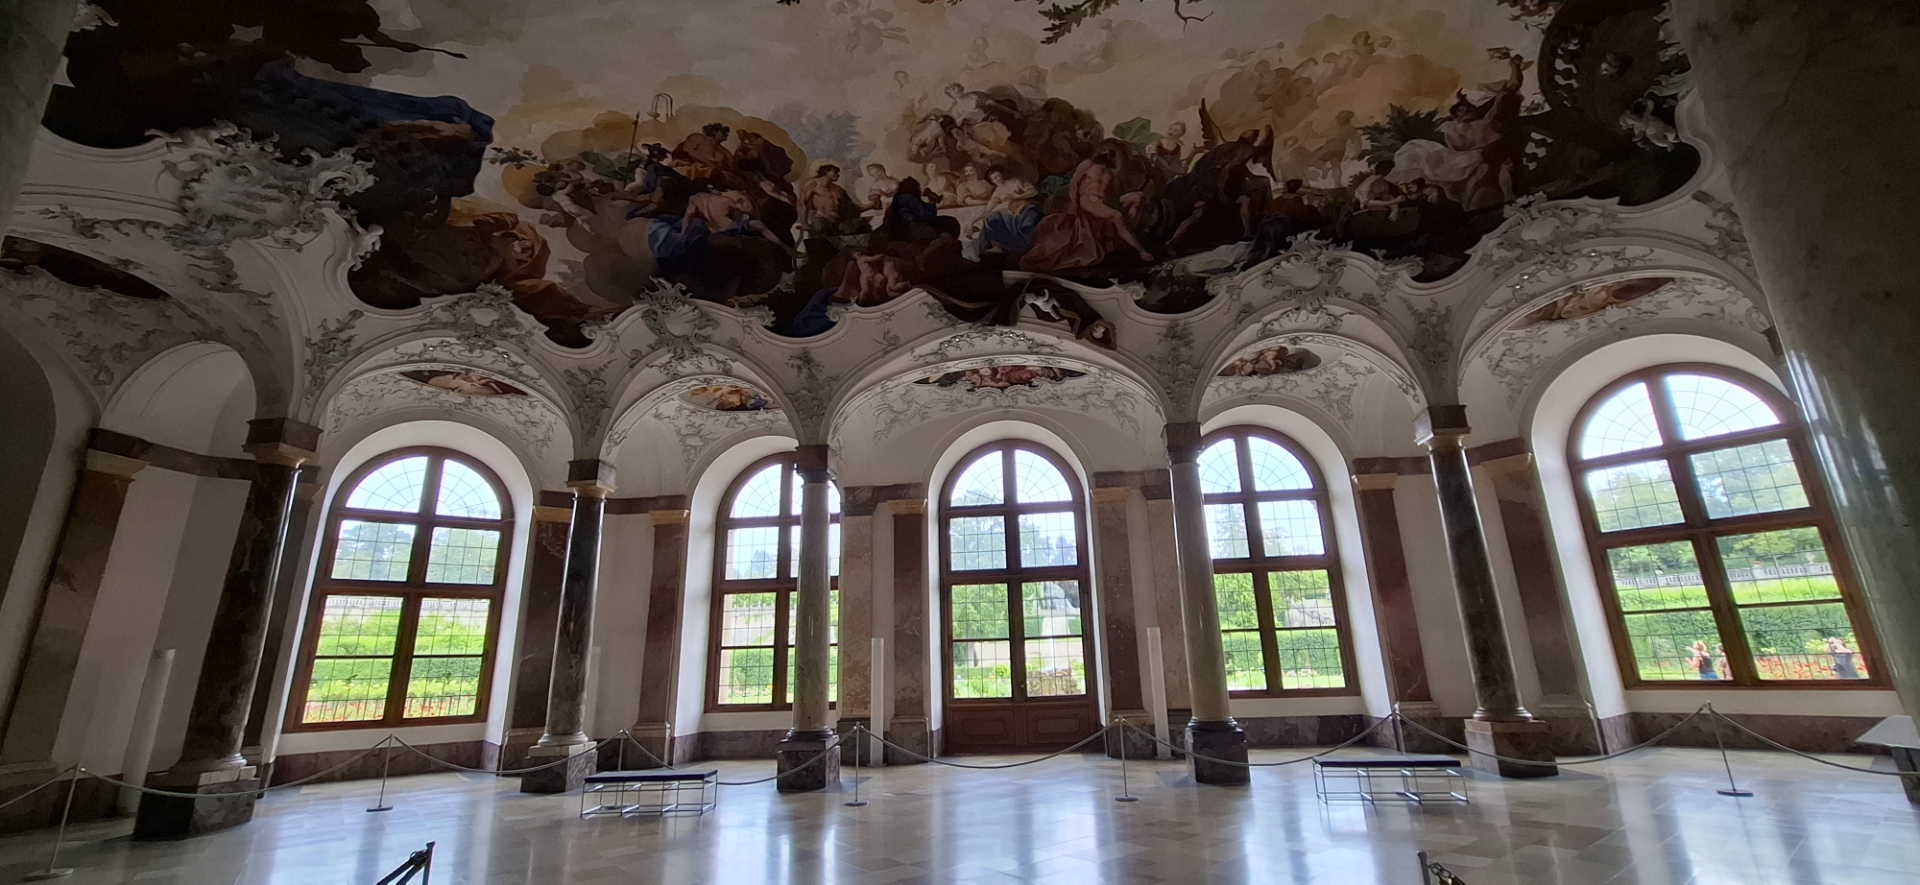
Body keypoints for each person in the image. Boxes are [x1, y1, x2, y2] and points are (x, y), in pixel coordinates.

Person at [1020, 145, 1155, 272]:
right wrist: (1074, 206)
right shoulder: (1088, 165)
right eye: (1106, 152)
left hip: (1101, 203)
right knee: (1116, 215)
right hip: (1086, 201)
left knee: (1138, 197)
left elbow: (1110, 195)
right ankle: (1141, 251)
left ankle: (1127, 235)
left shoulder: (1111, 173)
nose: (1109, 155)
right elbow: (1074, 185)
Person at [798, 164, 867, 237]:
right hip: (821, 220)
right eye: (835, 172)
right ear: (826, 171)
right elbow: (802, 204)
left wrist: (871, 205)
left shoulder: (838, 189)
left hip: (837, 221)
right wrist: (804, 223)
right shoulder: (813, 183)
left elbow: (851, 208)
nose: (838, 175)